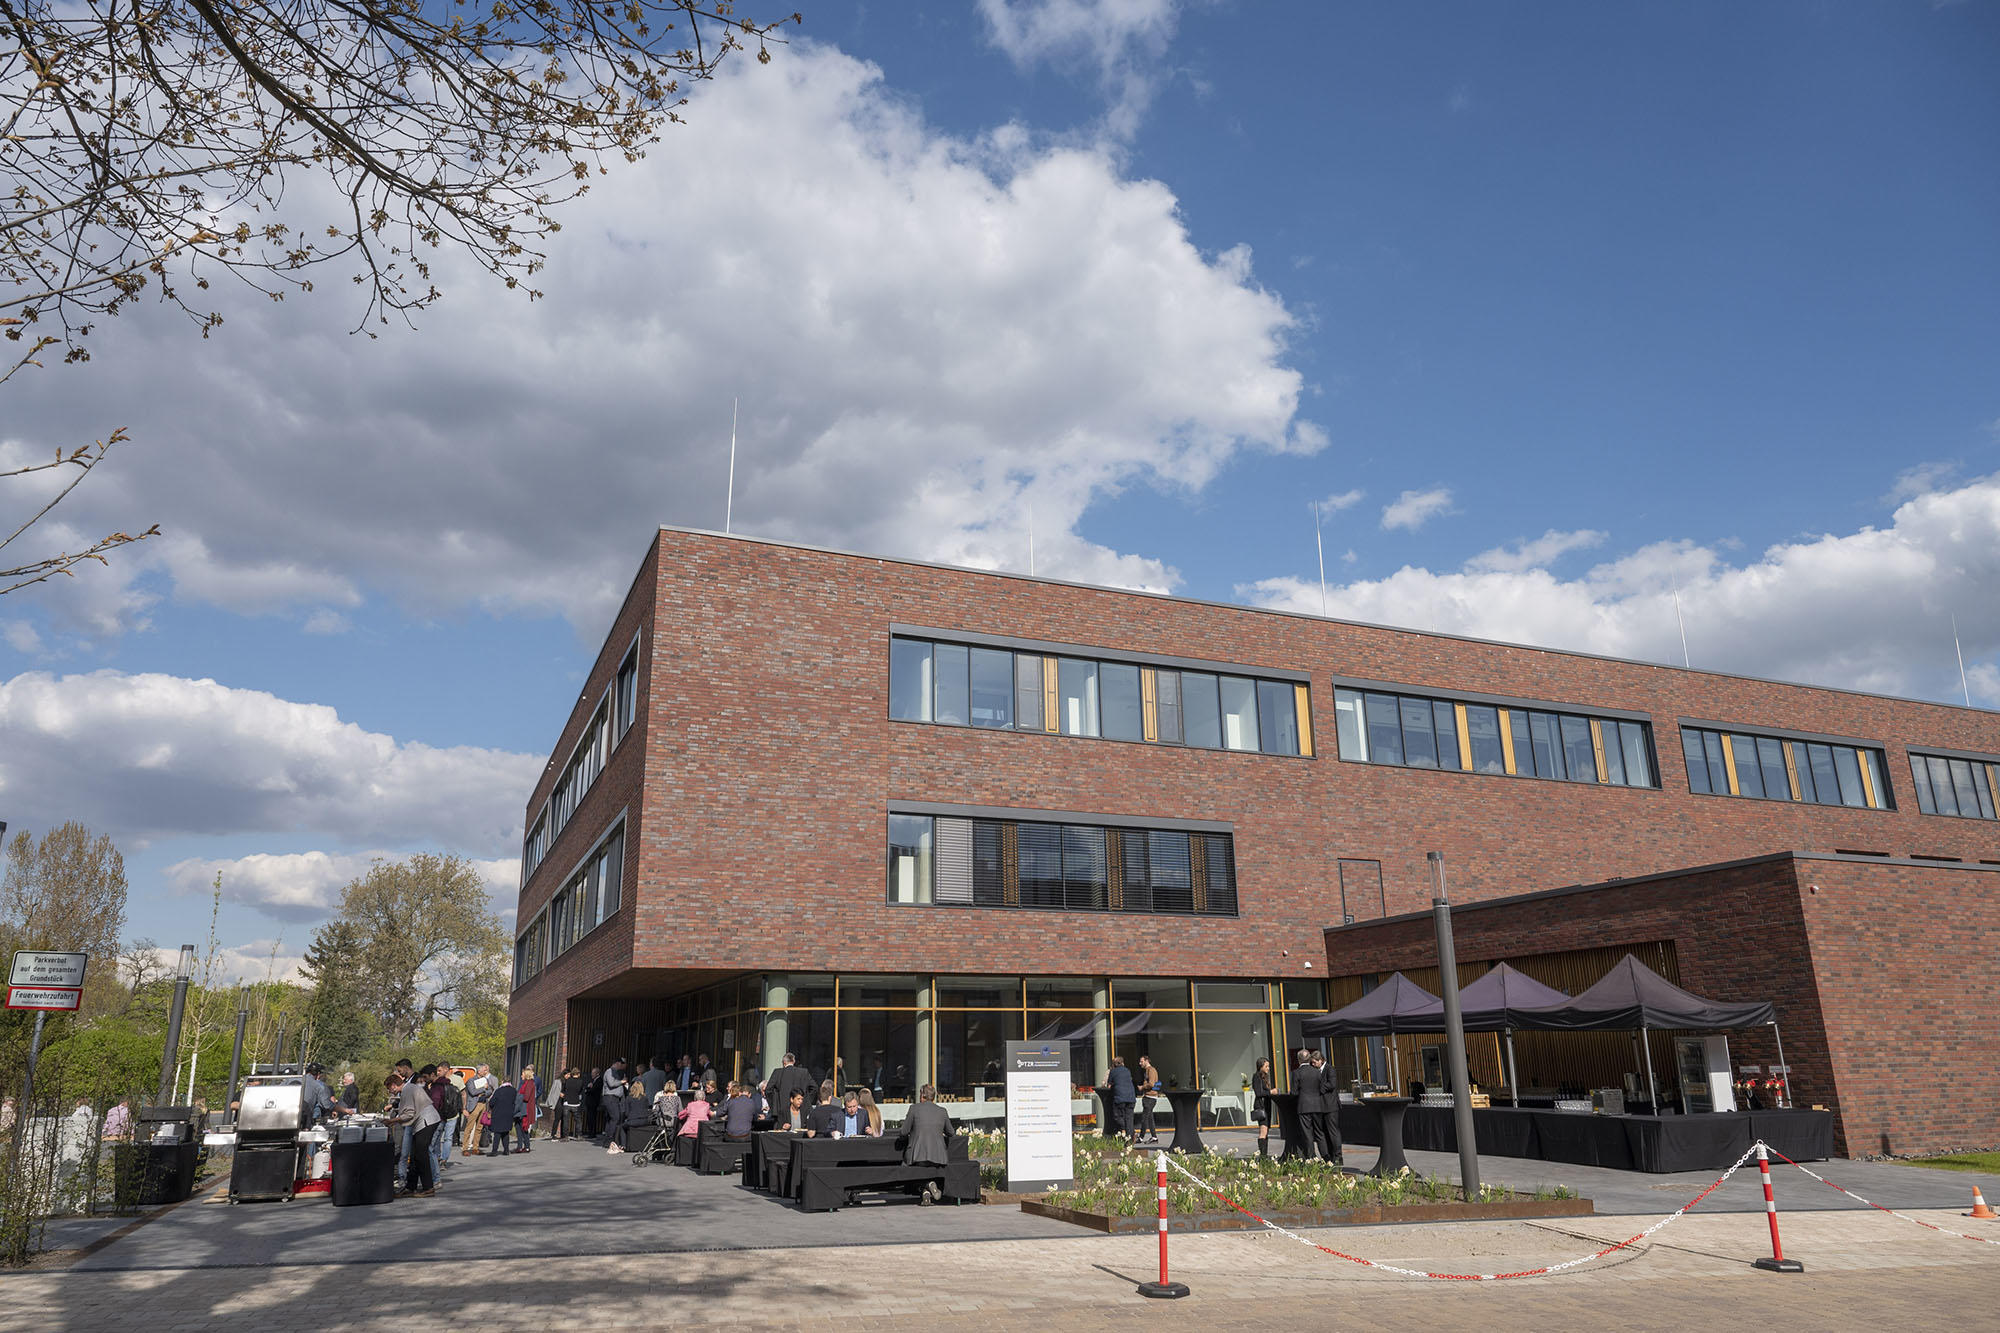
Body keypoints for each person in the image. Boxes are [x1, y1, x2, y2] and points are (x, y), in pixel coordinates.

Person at [898, 1085, 956, 1205]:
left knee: (909, 1168)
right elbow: (951, 1133)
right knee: (929, 1169)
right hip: (938, 1157)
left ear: (922, 1095)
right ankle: (927, 1191)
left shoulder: (914, 1109)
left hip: (917, 1155)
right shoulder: (942, 1111)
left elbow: (903, 1132)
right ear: (934, 1097)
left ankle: (928, 1186)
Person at [384, 1073, 440, 1197]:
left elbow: (409, 1114)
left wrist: (392, 1121)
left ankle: (428, 1187)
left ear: (393, 1085)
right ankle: (410, 1187)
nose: (390, 1091)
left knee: (421, 1155)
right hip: (424, 1122)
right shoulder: (409, 1088)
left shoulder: (407, 1090)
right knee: (414, 1155)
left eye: (389, 1088)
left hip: (426, 1121)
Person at [1294, 1049, 1329, 1162]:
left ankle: (1311, 1157)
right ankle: (1326, 1157)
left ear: (1299, 1060)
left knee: (1307, 1133)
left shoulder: (1297, 1073)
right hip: (1317, 1105)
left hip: (1304, 1106)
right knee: (1319, 1132)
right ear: (1309, 1059)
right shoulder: (1317, 1072)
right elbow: (1322, 1088)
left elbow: (1294, 1092)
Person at [1310, 1050, 1343, 1165]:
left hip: (1330, 1106)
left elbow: (1332, 1084)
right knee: (1324, 1132)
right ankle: (1330, 1156)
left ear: (1321, 1060)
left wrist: (1319, 1087)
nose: (1313, 1065)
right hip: (1320, 1106)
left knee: (1333, 1131)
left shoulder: (1330, 1069)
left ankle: (1338, 1156)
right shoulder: (1314, 1071)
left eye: (1314, 1063)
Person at [485, 1075, 520, 1157]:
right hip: (509, 1113)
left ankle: (494, 1151)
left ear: (502, 1081)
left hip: (498, 1113)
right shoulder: (514, 1091)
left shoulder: (499, 1091)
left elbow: (492, 1102)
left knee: (497, 1133)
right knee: (505, 1132)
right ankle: (506, 1150)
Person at [1105, 1056, 1136, 1141]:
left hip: (1119, 1097)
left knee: (1117, 1116)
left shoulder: (1113, 1071)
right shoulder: (1127, 1070)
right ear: (1122, 1063)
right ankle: (1129, 1138)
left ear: (1114, 1064)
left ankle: (1126, 1129)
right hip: (1131, 1097)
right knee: (1129, 1118)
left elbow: (1109, 1085)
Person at [1252, 1057, 1276, 1158]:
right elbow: (1258, 1092)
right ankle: (1263, 1156)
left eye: (1268, 1066)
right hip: (1261, 1106)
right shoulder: (1257, 1076)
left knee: (1266, 1132)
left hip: (1266, 1106)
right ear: (1261, 1066)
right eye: (1266, 1066)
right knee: (1263, 1131)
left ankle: (1264, 1154)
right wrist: (1270, 1092)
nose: (1268, 1068)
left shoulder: (1264, 1076)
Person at [1135, 1056, 1162, 1145]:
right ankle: (1154, 1137)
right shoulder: (1148, 1070)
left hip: (1150, 1097)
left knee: (1145, 1118)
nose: (1140, 1063)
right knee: (1149, 1118)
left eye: (1141, 1061)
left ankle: (1141, 1137)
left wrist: (1142, 1087)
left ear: (1146, 1061)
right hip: (1148, 1097)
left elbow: (1151, 1084)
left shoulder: (1151, 1070)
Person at [598, 1061, 627, 1144]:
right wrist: (621, 1082)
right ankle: (609, 1139)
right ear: (617, 1064)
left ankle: (610, 1138)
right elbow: (611, 1083)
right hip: (610, 1098)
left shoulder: (615, 1072)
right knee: (615, 1117)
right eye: (621, 1065)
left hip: (615, 1098)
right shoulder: (609, 1071)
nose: (621, 1067)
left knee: (612, 1118)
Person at [517, 1067, 537, 1153]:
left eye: (522, 1074)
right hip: (526, 1107)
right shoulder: (528, 1083)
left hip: (526, 1108)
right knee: (522, 1128)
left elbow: (526, 1097)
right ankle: (524, 1146)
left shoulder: (529, 1083)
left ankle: (524, 1146)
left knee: (523, 1127)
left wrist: (518, 1097)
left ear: (526, 1075)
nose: (521, 1076)